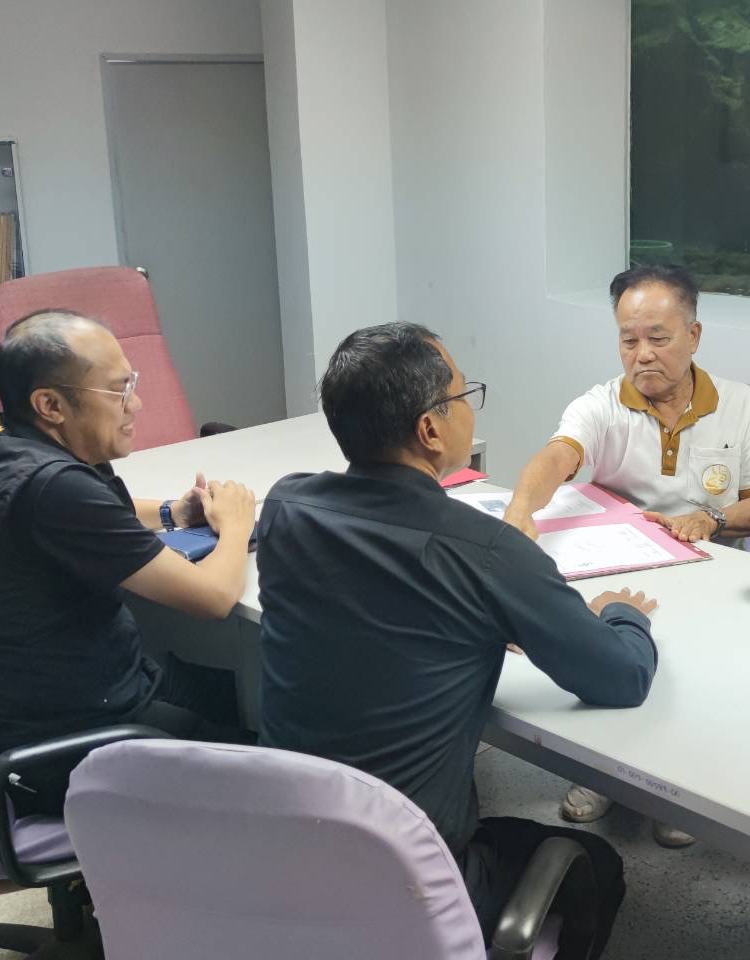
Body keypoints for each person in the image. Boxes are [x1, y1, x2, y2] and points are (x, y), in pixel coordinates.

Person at [256, 322, 659, 958]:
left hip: (283, 843)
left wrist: (479, 622)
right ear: (430, 429)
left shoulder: (287, 506)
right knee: (596, 864)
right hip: (407, 876)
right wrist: (624, 616)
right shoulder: (487, 552)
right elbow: (622, 678)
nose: (471, 407)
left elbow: (378, 599)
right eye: (463, 394)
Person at [503, 263, 750, 847]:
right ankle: (603, 772)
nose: (642, 355)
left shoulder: (739, 405)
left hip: (708, 568)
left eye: (658, 338)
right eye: (628, 340)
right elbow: (557, 457)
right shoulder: (602, 403)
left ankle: (680, 786)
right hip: (623, 563)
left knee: (696, 672)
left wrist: (710, 518)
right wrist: (520, 511)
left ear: (694, 335)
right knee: (607, 649)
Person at [0, 310, 257, 815]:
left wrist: (174, 512)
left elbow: (100, 511)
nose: (136, 404)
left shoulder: (6, 442)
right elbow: (213, 599)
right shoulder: (54, 488)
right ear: (50, 405)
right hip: (76, 743)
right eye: (118, 390)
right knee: (280, 755)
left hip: (73, 695)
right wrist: (235, 523)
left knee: (242, 693)